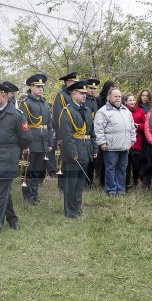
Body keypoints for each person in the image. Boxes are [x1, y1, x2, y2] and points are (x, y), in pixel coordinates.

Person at [0, 80, 31, 237]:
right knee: (1, 191)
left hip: (8, 159)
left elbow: (26, 138)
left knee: (1, 193)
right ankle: (13, 219)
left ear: (3, 96)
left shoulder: (17, 115)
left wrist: (13, 150)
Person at [59, 80, 96, 217]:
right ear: (73, 94)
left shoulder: (86, 110)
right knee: (71, 185)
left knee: (80, 184)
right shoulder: (67, 111)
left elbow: (91, 132)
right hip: (73, 154)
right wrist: (73, 153)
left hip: (85, 151)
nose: (85, 95)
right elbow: (67, 135)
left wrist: (94, 149)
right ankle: (70, 211)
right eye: (82, 93)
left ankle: (78, 208)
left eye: (85, 93)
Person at [94, 88, 135, 196]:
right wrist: (102, 142)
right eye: (115, 96)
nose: (118, 98)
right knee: (110, 169)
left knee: (122, 169)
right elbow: (98, 129)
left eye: (119, 96)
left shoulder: (126, 111)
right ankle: (111, 191)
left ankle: (121, 191)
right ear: (109, 97)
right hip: (110, 147)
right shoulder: (103, 111)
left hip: (124, 146)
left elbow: (132, 126)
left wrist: (132, 139)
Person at [19, 74, 53, 204]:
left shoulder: (44, 103)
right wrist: (25, 144)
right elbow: (24, 125)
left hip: (43, 141)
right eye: (38, 86)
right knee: (29, 170)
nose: (40, 89)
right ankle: (28, 197)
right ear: (31, 87)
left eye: (42, 87)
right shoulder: (26, 103)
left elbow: (49, 125)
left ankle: (35, 196)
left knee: (38, 171)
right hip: (31, 142)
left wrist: (49, 142)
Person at [124, 92, 145, 189]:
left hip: (138, 141)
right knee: (127, 164)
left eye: (133, 100)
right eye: (130, 100)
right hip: (126, 141)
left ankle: (136, 180)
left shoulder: (140, 111)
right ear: (126, 102)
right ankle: (127, 183)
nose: (132, 102)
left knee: (136, 164)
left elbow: (145, 125)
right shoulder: (123, 111)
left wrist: (138, 126)